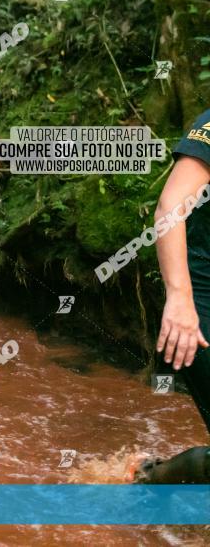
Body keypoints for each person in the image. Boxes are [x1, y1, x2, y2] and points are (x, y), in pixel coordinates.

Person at [128, 108, 210, 483]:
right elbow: (170, 207)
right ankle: (152, 480)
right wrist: (179, 298)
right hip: (201, 304)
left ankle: (154, 478)